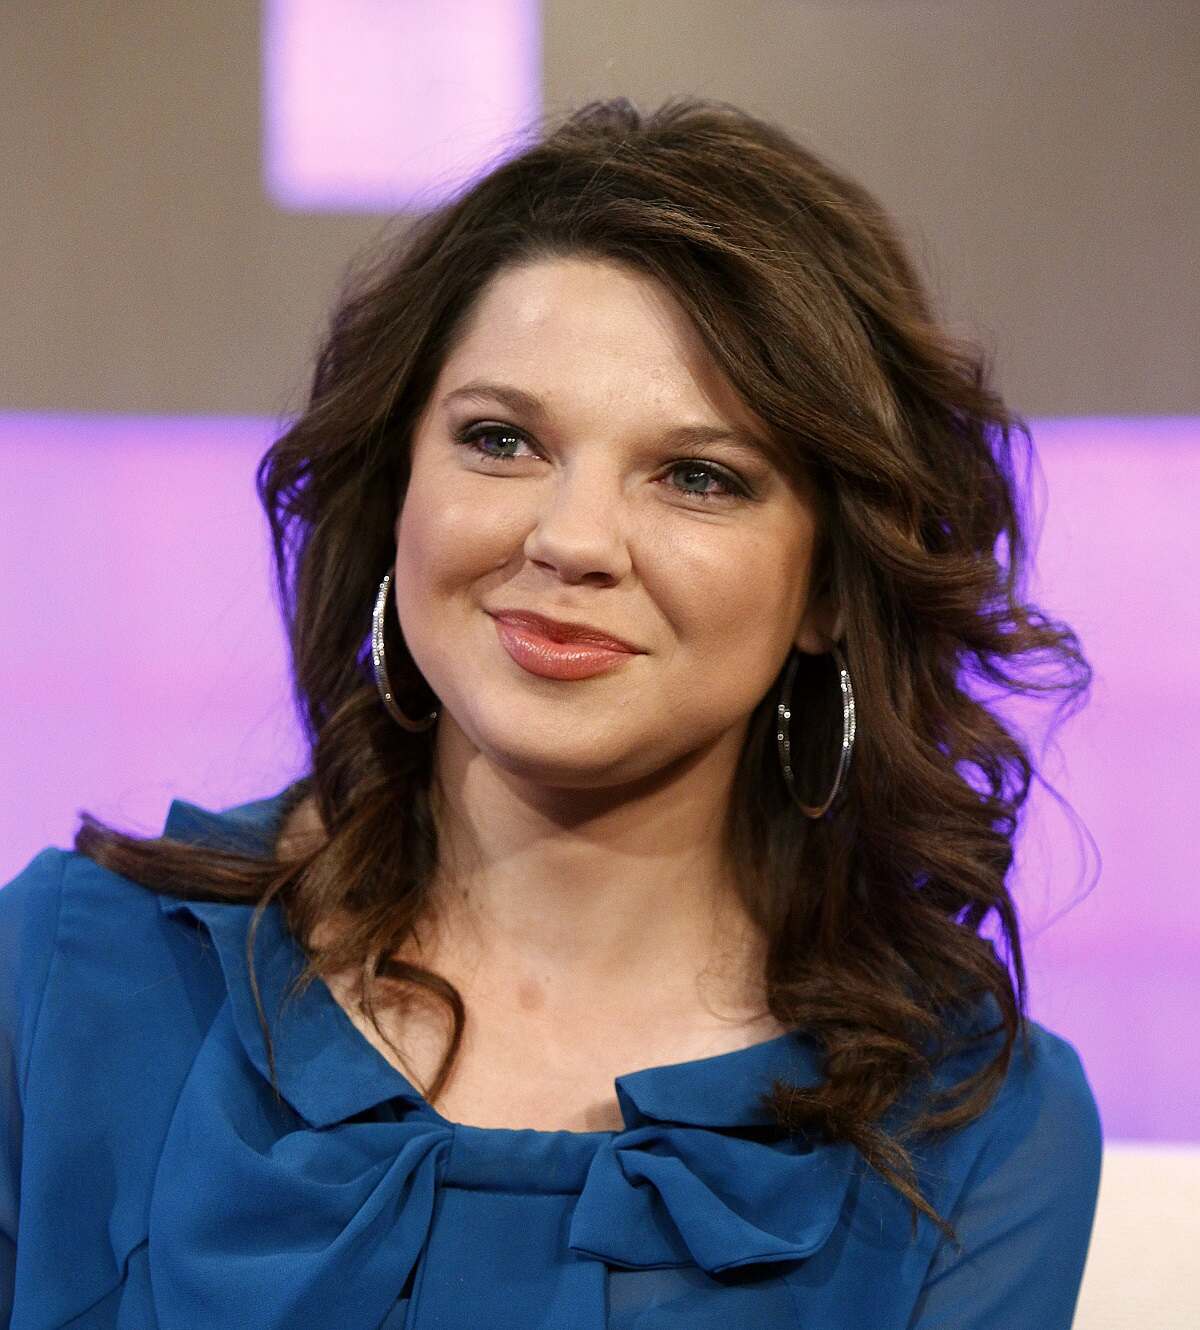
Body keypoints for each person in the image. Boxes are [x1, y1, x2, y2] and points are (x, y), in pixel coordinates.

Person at [0, 97, 1101, 1329]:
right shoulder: (62, 978)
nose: (571, 539)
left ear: (831, 586)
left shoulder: (973, 1132)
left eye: (699, 476)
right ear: (399, 487)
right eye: (502, 439)